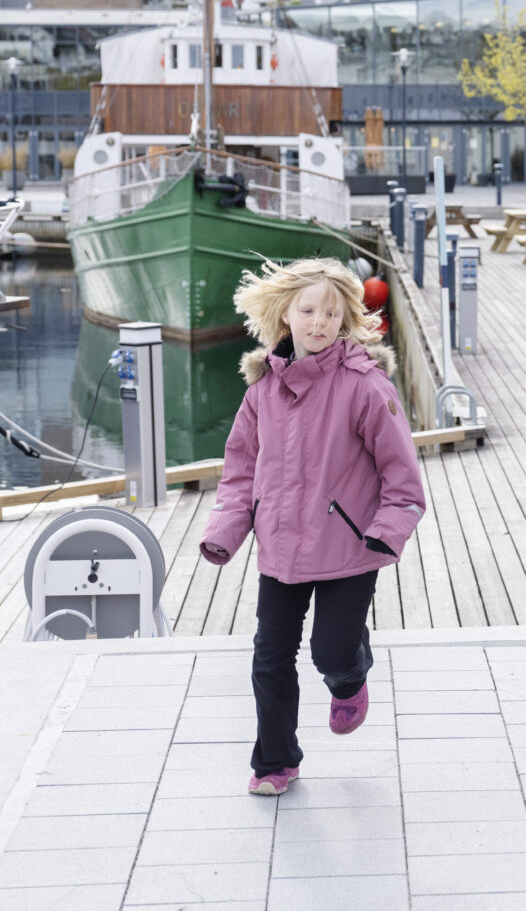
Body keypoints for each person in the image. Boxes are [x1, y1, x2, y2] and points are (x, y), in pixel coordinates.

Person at [200, 257, 426, 795]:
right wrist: (225, 530)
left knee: (330, 651)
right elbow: (240, 471)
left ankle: (351, 674)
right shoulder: (261, 393)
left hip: (350, 546)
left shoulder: (365, 386)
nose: (318, 323)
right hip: (279, 550)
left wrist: (386, 531)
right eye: (307, 311)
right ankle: (274, 762)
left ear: (345, 318)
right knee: (270, 658)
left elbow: (403, 477)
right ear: (285, 316)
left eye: (330, 313)